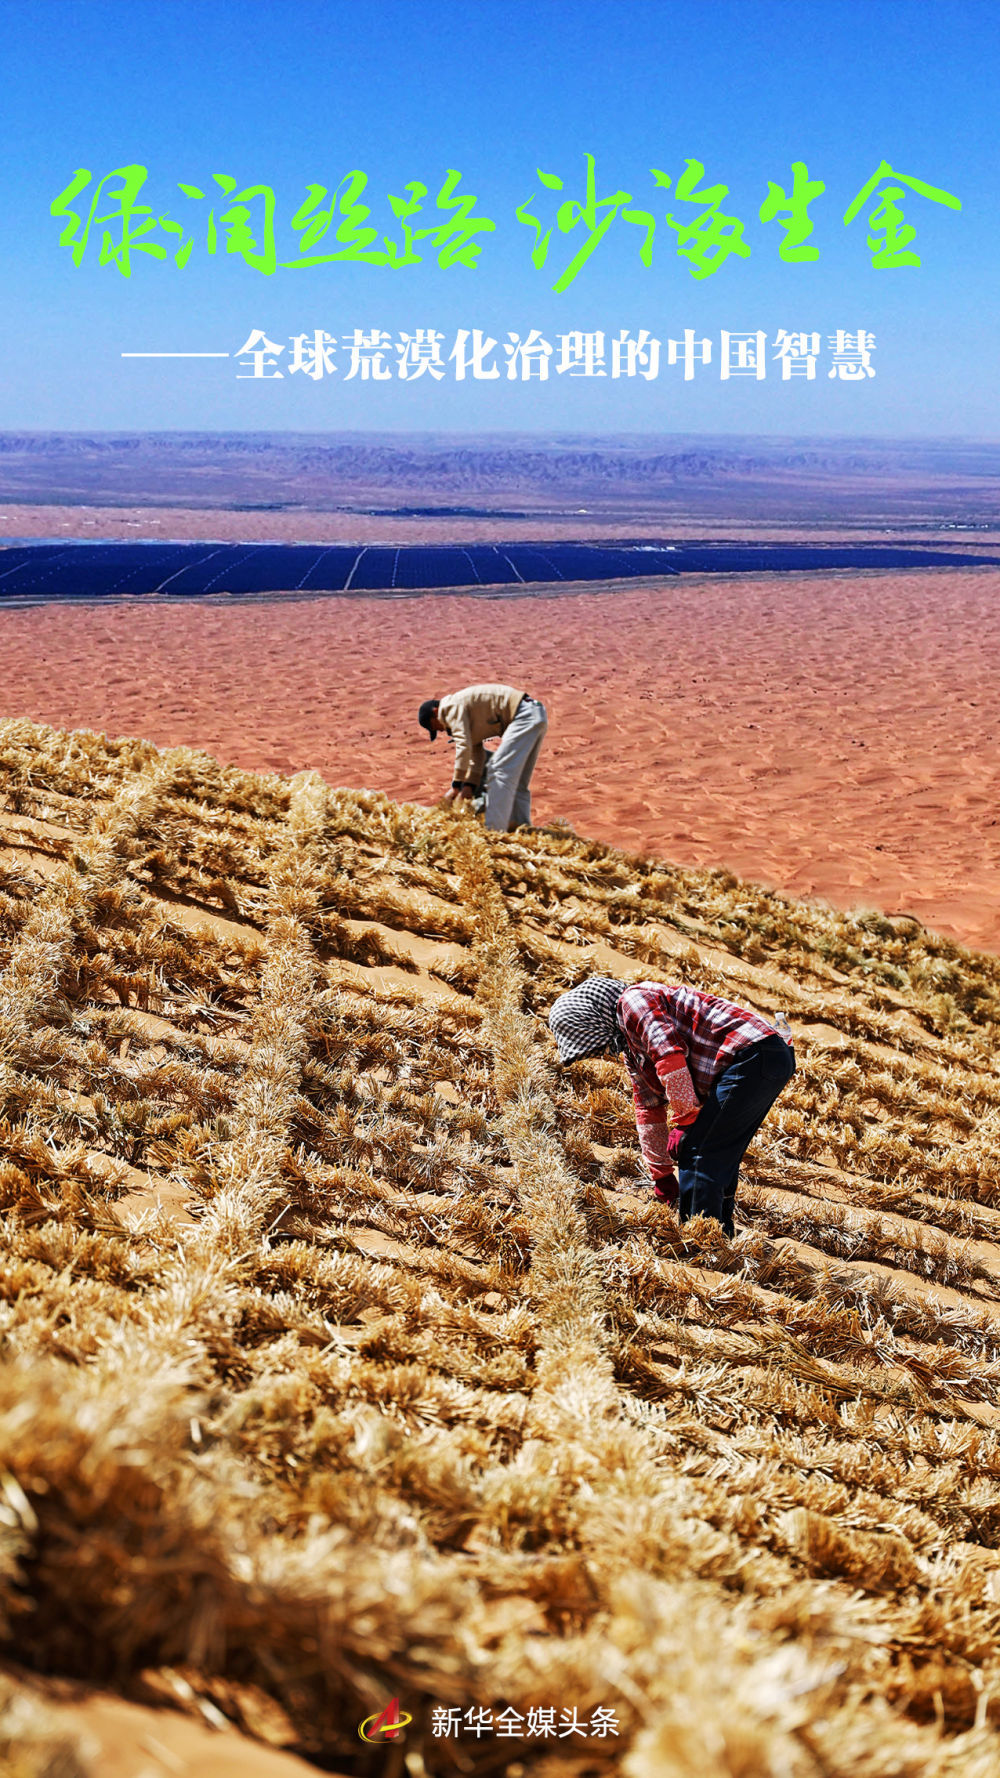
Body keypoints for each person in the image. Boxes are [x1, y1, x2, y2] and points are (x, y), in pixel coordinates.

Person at [548, 975, 795, 1236]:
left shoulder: (633, 1001)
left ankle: (699, 1239)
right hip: (764, 1058)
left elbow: (669, 1056)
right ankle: (720, 1236)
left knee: (698, 1150)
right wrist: (662, 1176)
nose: (600, 1052)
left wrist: (685, 1117)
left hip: (753, 1054)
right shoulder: (633, 1051)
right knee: (719, 1153)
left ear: (592, 1018)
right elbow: (648, 1109)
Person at [417, 683, 548, 832]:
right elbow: (476, 754)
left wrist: (456, 786)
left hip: (523, 714)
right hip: (535, 713)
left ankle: (493, 833)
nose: (441, 730)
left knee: (498, 770)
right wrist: (468, 787)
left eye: (435, 727)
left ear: (435, 712)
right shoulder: (466, 717)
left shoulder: (449, 707)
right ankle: (523, 830)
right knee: (518, 782)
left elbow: (463, 745)